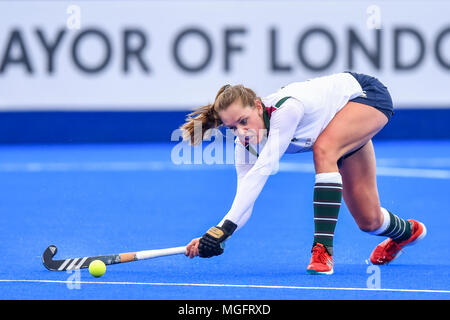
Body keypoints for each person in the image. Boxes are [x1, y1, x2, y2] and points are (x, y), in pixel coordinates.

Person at [179, 71, 427, 275]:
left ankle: (323, 251)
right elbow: (246, 195)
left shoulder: (286, 110)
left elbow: (264, 169)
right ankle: (408, 232)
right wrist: (218, 234)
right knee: (370, 222)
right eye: (233, 128)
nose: (241, 132)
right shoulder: (244, 146)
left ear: (257, 106)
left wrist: (224, 229)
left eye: (244, 121)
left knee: (324, 149)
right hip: (338, 126)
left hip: (365, 97)